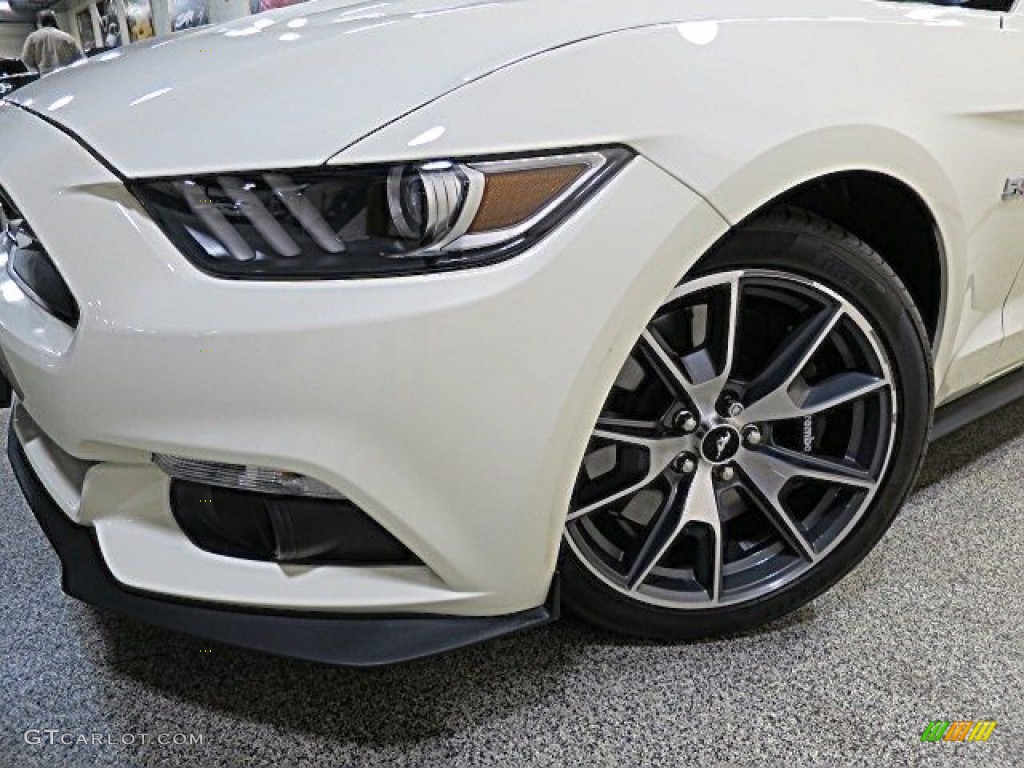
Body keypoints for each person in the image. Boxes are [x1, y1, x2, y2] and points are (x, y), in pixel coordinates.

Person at [21, 11, 84, 76]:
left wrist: (38, 69)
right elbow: (79, 58)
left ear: (39, 23)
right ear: (53, 21)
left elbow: (26, 59)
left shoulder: (32, 38)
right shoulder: (66, 36)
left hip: (46, 78)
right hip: (66, 76)